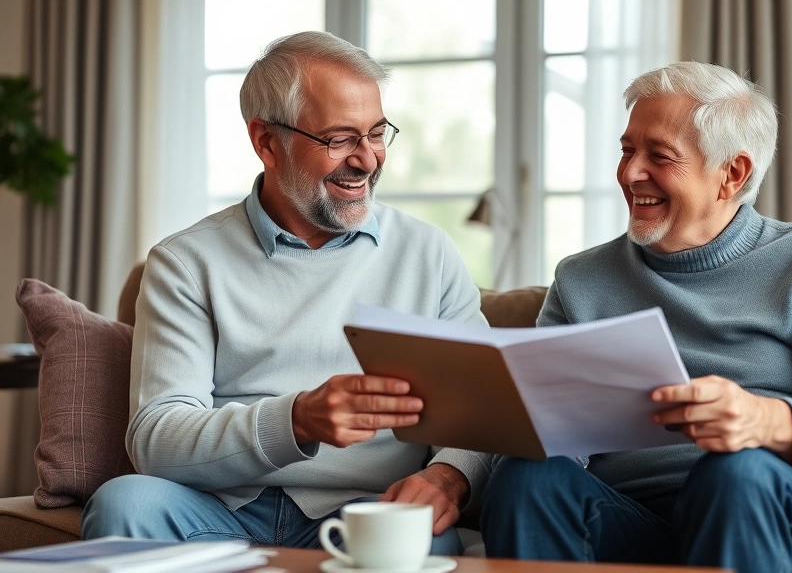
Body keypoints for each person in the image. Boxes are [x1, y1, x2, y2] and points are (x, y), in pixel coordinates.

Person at [479, 61, 792, 572]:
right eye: (626, 150)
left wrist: (764, 421)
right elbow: (545, 431)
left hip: (780, 506)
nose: (629, 173)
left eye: (658, 156)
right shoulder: (581, 279)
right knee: (526, 473)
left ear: (732, 173)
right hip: (634, 520)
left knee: (735, 474)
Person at [81, 32, 491, 555]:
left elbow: (480, 410)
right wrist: (298, 419)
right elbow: (156, 440)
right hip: (218, 508)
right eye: (340, 139)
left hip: (368, 510)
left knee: (426, 542)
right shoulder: (185, 263)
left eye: (377, 132)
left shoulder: (428, 254)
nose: (368, 160)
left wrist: (446, 477)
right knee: (125, 505)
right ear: (267, 142)